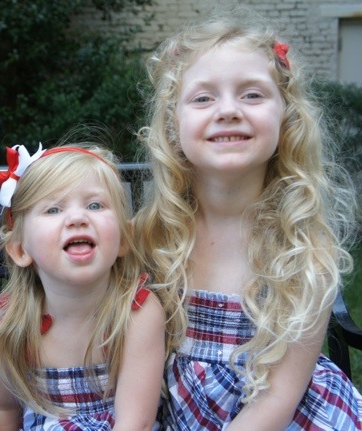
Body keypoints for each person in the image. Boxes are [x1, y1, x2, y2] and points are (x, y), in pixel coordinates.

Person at [133, 8, 362, 431]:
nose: (228, 110)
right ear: (173, 123)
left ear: (286, 118)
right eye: (203, 98)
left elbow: (278, 399)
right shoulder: (152, 237)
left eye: (252, 95)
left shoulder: (303, 248)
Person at [0, 143, 166, 430]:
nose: (78, 218)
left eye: (95, 205)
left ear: (124, 238)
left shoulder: (136, 313)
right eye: (53, 209)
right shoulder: (12, 326)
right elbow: (3, 409)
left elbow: (135, 422)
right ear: (19, 250)